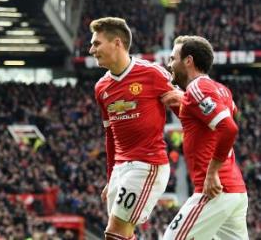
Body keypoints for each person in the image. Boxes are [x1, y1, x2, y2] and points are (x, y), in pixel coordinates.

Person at [89, 17, 180, 239]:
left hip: (147, 164)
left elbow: (186, 112)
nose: (91, 50)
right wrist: (111, 176)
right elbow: (110, 135)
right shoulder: (101, 87)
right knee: (124, 235)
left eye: (96, 43)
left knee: (114, 234)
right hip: (120, 169)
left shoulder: (153, 74)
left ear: (117, 43)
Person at [164, 35, 248, 239]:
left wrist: (212, 173)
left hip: (215, 191)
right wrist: (183, 103)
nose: (169, 64)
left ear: (188, 61)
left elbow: (229, 128)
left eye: (173, 58)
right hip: (234, 191)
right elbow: (211, 123)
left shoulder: (197, 88)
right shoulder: (222, 90)